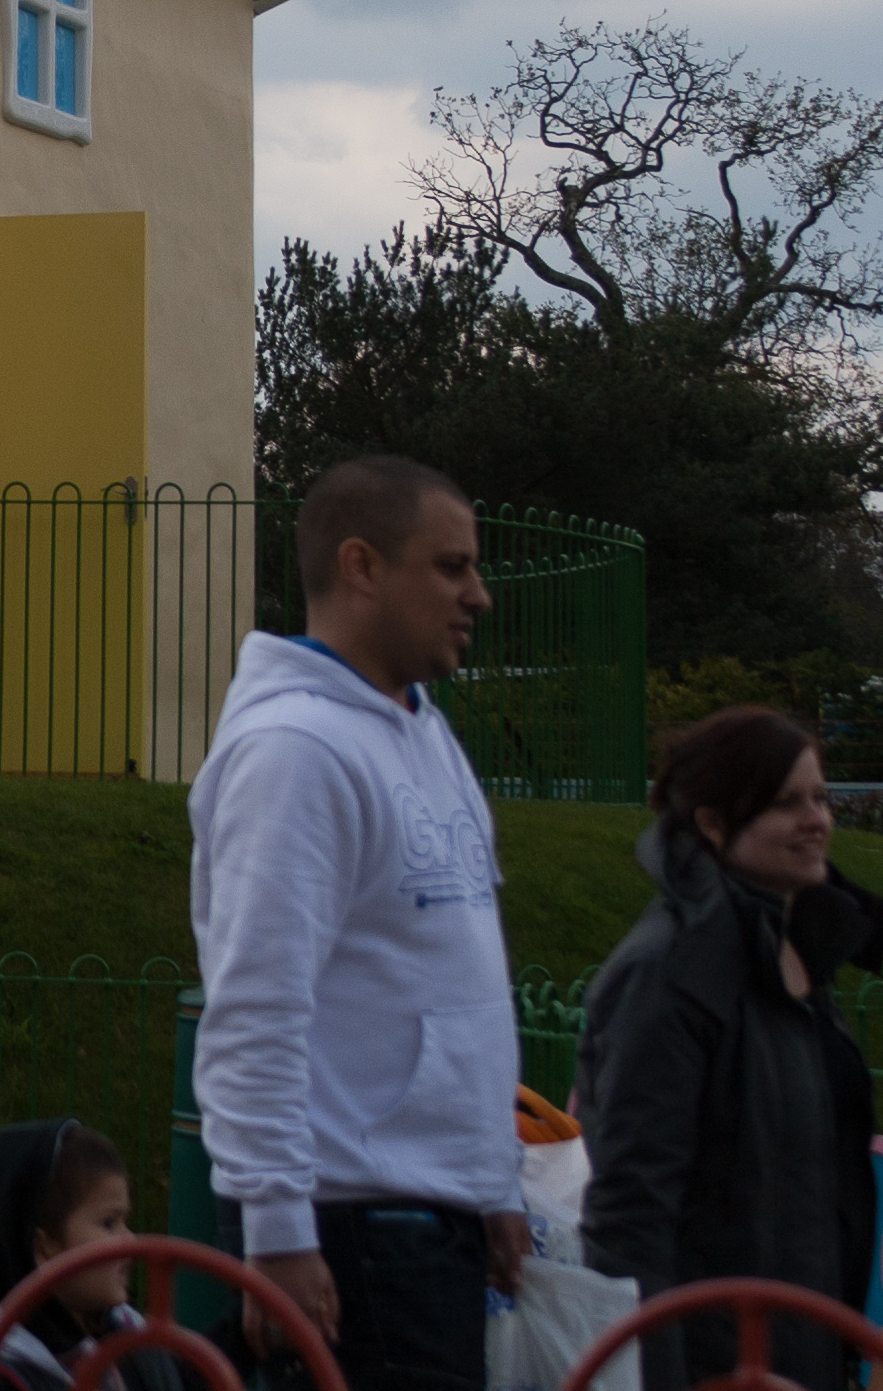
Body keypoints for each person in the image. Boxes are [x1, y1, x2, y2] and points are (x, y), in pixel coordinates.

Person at [189, 454, 527, 1391]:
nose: (479, 595)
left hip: (427, 1220)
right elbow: (255, 1008)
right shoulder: (295, 751)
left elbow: (454, 976)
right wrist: (277, 1230)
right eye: (451, 567)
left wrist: (495, 1181)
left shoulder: (423, 730)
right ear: (361, 566)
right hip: (350, 1233)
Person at [577, 709, 883, 1391]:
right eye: (786, 803)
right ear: (714, 824)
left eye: (821, 797)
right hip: (718, 1363)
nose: (817, 820)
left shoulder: (794, 954)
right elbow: (632, 1213)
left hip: (798, 1354)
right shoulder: (672, 973)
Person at [0, 1120, 188, 1391]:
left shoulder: (121, 1333)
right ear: (42, 1248)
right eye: (109, 1223)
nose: (130, 1241)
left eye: (124, 1221)